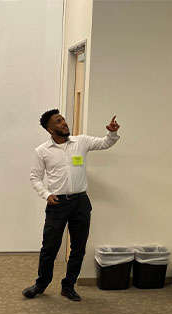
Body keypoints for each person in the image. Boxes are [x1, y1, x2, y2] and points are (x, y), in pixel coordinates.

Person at [23, 109, 121, 301]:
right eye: (58, 122)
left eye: (63, 120)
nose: (64, 123)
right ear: (50, 129)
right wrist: (46, 194)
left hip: (81, 202)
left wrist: (112, 133)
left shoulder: (81, 142)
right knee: (49, 247)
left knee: (78, 247)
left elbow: (105, 143)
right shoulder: (42, 151)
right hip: (57, 203)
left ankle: (68, 286)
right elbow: (35, 177)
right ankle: (41, 284)